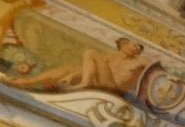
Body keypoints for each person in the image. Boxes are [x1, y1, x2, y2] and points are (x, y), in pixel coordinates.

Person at [9, 37, 152, 93]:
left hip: (114, 89)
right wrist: (73, 75)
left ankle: (83, 84)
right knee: (70, 68)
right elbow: (92, 70)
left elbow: (153, 69)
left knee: (90, 53)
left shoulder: (139, 61)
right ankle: (28, 82)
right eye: (134, 45)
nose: (137, 48)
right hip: (101, 82)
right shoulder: (111, 57)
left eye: (139, 48)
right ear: (124, 45)